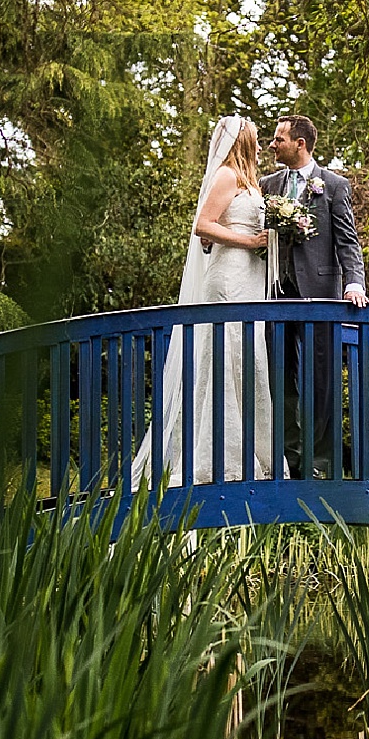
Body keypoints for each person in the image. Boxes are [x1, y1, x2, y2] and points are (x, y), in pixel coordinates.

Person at [135, 116, 274, 488]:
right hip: (228, 277)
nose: (260, 147)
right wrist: (249, 242)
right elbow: (203, 224)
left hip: (250, 279)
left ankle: (253, 454)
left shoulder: (250, 182)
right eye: (256, 140)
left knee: (246, 360)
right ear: (242, 141)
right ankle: (218, 458)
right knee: (223, 358)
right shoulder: (227, 175)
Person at [261, 115, 366, 479]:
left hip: (321, 293)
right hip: (276, 292)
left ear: (300, 144)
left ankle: (320, 462)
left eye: (278, 139)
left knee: (322, 379)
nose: (272, 145)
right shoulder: (267, 184)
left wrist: (355, 282)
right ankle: (292, 458)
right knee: (279, 376)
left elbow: (347, 241)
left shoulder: (334, 186)